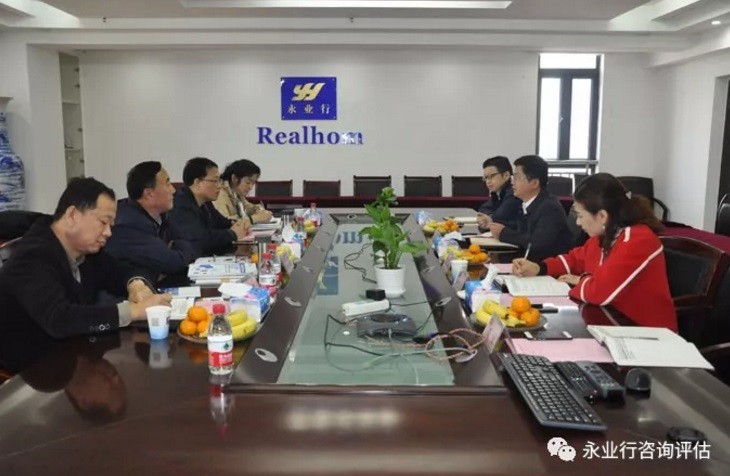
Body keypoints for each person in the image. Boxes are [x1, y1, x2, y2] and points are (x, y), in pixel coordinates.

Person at [0, 177, 171, 340]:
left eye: (110, 226)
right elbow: (60, 319)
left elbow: (121, 271)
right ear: (72, 215)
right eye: (103, 222)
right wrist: (133, 312)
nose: (108, 233)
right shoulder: (32, 257)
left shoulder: (87, 252)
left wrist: (135, 284)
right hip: (31, 356)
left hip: (76, 349)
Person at [512, 173, 676, 330]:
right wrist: (539, 267)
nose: (577, 222)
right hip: (611, 321)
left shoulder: (637, 240)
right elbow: (575, 259)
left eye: (580, 215)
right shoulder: (606, 235)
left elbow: (599, 292)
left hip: (646, 332)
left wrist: (582, 279)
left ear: (602, 216)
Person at [105, 161, 197, 287]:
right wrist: (173, 248)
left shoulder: (162, 215)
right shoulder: (127, 226)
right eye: (167, 183)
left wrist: (174, 247)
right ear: (149, 194)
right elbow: (174, 261)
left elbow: (191, 241)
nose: (173, 190)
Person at [488, 155, 573, 262]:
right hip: (527, 262)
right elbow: (519, 232)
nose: (512, 182)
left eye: (517, 177)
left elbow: (536, 243)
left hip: (546, 267)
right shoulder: (525, 203)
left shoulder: (550, 208)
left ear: (534, 183)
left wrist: (503, 233)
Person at [168, 157, 249, 256]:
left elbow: (223, 223)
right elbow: (200, 238)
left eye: (219, 181)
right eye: (215, 181)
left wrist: (239, 225)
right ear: (198, 183)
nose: (219, 186)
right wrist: (233, 234)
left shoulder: (205, 202)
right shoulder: (180, 203)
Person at [213, 159, 273, 225]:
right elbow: (225, 223)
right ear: (234, 179)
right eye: (248, 182)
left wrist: (259, 210)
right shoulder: (219, 194)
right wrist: (255, 218)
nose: (250, 187)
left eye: (253, 183)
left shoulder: (236, 192)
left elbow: (248, 207)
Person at [476, 156, 521, 231]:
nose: (488, 181)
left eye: (492, 176)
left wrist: (489, 218)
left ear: (506, 175)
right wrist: (488, 218)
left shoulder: (514, 193)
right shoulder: (496, 193)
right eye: (486, 177)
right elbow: (483, 209)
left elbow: (500, 216)